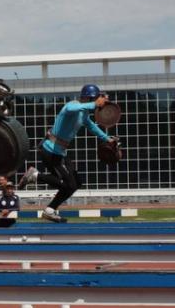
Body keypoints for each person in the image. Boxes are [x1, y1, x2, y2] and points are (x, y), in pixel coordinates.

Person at [29, 84, 116, 222]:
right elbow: (72, 108)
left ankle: (49, 210)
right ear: (88, 98)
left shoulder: (84, 114)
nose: (97, 103)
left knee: (76, 183)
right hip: (50, 151)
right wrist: (94, 104)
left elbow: (91, 126)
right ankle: (35, 176)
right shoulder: (72, 106)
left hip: (60, 153)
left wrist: (106, 139)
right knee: (68, 185)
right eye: (95, 98)